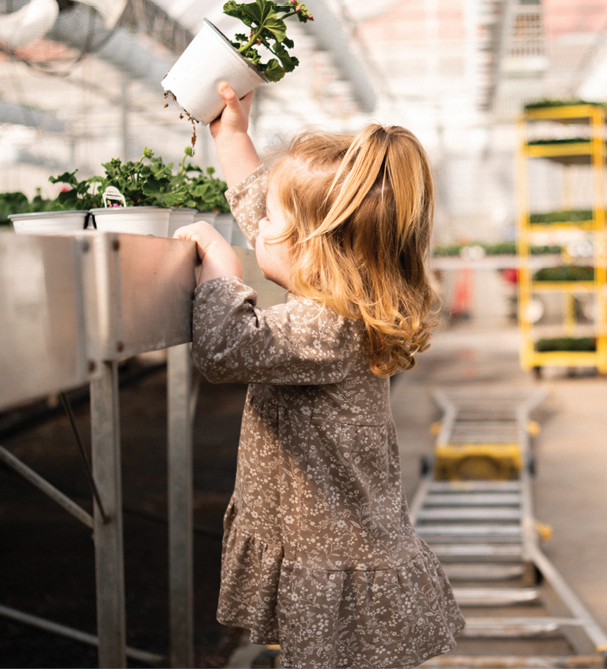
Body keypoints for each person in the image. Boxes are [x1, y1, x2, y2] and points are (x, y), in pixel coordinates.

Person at [173, 83, 465, 669]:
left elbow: (224, 352)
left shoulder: (325, 327)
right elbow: (267, 212)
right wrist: (232, 137)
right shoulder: (338, 296)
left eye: (275, 221)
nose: (257, 231)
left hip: (333, 549)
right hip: (329, 540)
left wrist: (224, 270)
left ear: (315, 248)